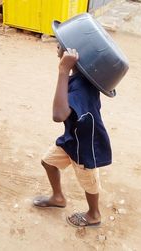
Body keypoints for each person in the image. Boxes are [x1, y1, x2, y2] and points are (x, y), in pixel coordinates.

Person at [33, 43, 112, 228]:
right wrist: (67, 71)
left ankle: (94, 215)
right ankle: (58, 198)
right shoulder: (81, 77)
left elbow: (58, 115)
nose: (57, 45)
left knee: (89, 182)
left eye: (61, 43)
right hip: (72, 137)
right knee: (48, 162)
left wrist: (63, 69)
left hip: (86, 145)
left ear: (76, 54)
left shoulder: (82, 87)